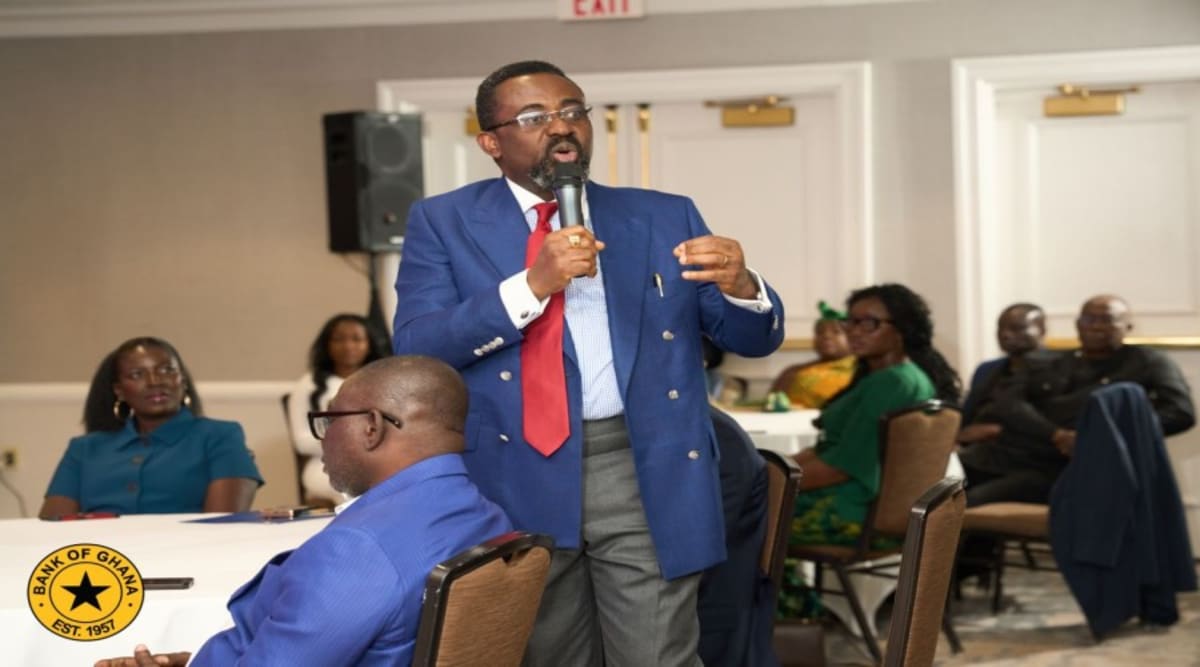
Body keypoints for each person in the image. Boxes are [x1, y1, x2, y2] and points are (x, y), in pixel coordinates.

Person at [391, 60, 785, 666]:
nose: (561, 127)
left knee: (657, 657)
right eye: (533, 117)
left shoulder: (661, 214)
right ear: (490, 142)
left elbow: (750, 338)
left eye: (573, 110)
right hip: (512, 471)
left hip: (640, 464)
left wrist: (742, 285)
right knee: (549, 656)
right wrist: (531, 286)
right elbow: (418, 347)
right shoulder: (443, 222)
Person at [94, 356, 513, 667]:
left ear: (371, 426)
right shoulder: (483, 514)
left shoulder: (356, 550)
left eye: (330, 421)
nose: (324, 440)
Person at [778, 284, 961, 618]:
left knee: (740, 517)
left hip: (855, 511)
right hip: (876, 509)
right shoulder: (901, 377)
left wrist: (771, 481)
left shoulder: (891, 383)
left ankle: (777, 620)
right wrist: (779, 469)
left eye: (870, 323)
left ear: (901, 329)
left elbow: (838, 466)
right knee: (751, 499)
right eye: (852, 322)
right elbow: (831, 449)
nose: (855, 332)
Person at [959, 294, 1195, 507]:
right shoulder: (1052, 361)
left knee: (963, 504)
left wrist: (1098, 437)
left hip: (1064, 469)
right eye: (1088, 319)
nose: (1096, 327)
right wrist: (1056, 434)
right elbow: (1010, 405)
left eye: (1107, 320)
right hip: (1008, 455)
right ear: (1077, 325)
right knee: (933, 481)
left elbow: (1181, 412)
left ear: (1128, 326)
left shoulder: (1147, 361)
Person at [39, 337, 261, 519]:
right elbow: (53, 528)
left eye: (166, 370)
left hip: (186, 559)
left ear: (182, 381)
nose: (155, 381)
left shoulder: (220, 436)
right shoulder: (84, 448)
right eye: (137, 374)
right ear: (119, 390)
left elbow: (223, 525)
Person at [286, 313, 390, 505]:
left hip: (379, 461)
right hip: (326, 465)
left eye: (356, 339)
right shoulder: (309, 386)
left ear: (370, 343)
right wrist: (348, 442)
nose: (348, 346)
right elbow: (301, 441)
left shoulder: (383, 381)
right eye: (339, 339)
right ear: (326, 344)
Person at [956, 302, 1051, 444]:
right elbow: (966, 416)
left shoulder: (1057, 368)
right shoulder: (986, 369)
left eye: (1016, 328)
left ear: (1041, 330)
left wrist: (998, 431)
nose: (1005, 334)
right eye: (1001, 328)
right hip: (974, 450)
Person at [769, 301, 855, 408]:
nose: (826, 336)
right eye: (820, 332)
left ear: (853, 337)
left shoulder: (861, 371)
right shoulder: (792, 372)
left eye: (836, 332)